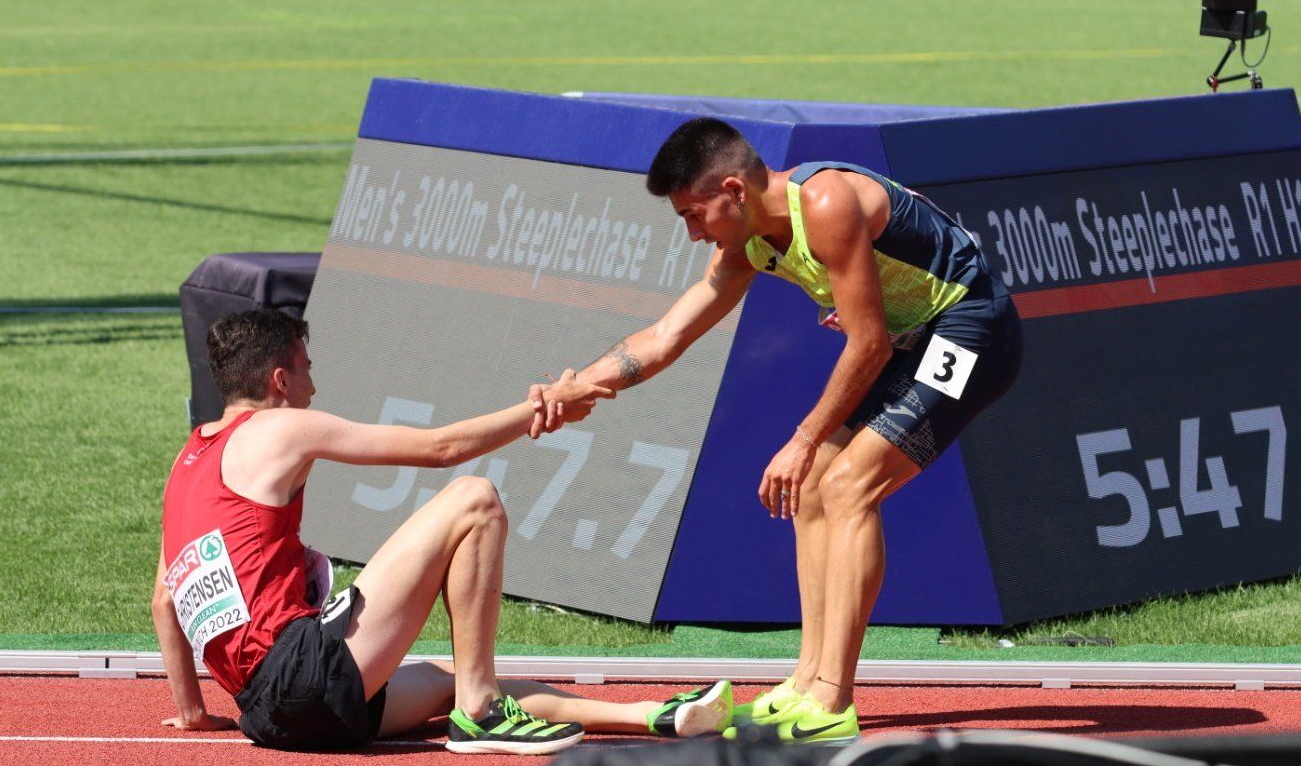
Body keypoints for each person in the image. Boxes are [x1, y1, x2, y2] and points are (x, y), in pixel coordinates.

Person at [562, 118, 1022, 745]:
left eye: (695, 215)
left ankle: (833, 699)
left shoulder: (826, 203)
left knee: (849, 486)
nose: (694, 233)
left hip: (973, 329)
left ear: (733, 189)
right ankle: (807, 681)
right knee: (812, 490)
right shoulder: (749, 242)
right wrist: (582, 385)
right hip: (912, 338)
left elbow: (867, 343)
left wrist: (804, 436)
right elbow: (668, 336)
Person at [152, 307, 732, 755]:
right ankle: (480, 716)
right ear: (279, 379)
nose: (313, 386)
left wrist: (193, 711)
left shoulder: (185, 466)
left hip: (269, 715)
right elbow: (442, 449)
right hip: (301, 674)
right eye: (307, 369)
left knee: (453, 671)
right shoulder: (280, 429)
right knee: (474, 500)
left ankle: (652, 714)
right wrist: (547, 405)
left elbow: (165, 598)